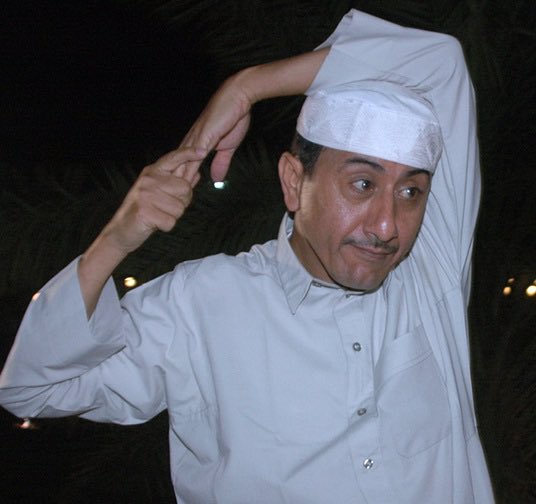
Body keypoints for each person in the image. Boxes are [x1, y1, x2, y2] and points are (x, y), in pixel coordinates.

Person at [0, 9, 494, 504]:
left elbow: (439, 60)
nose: (387, 225)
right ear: (294, 181)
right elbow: (32, 389)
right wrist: (114, 242)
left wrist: (247, 87)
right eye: (362, 184)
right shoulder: (202, 304)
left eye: (410, 193)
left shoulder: (430, 272)